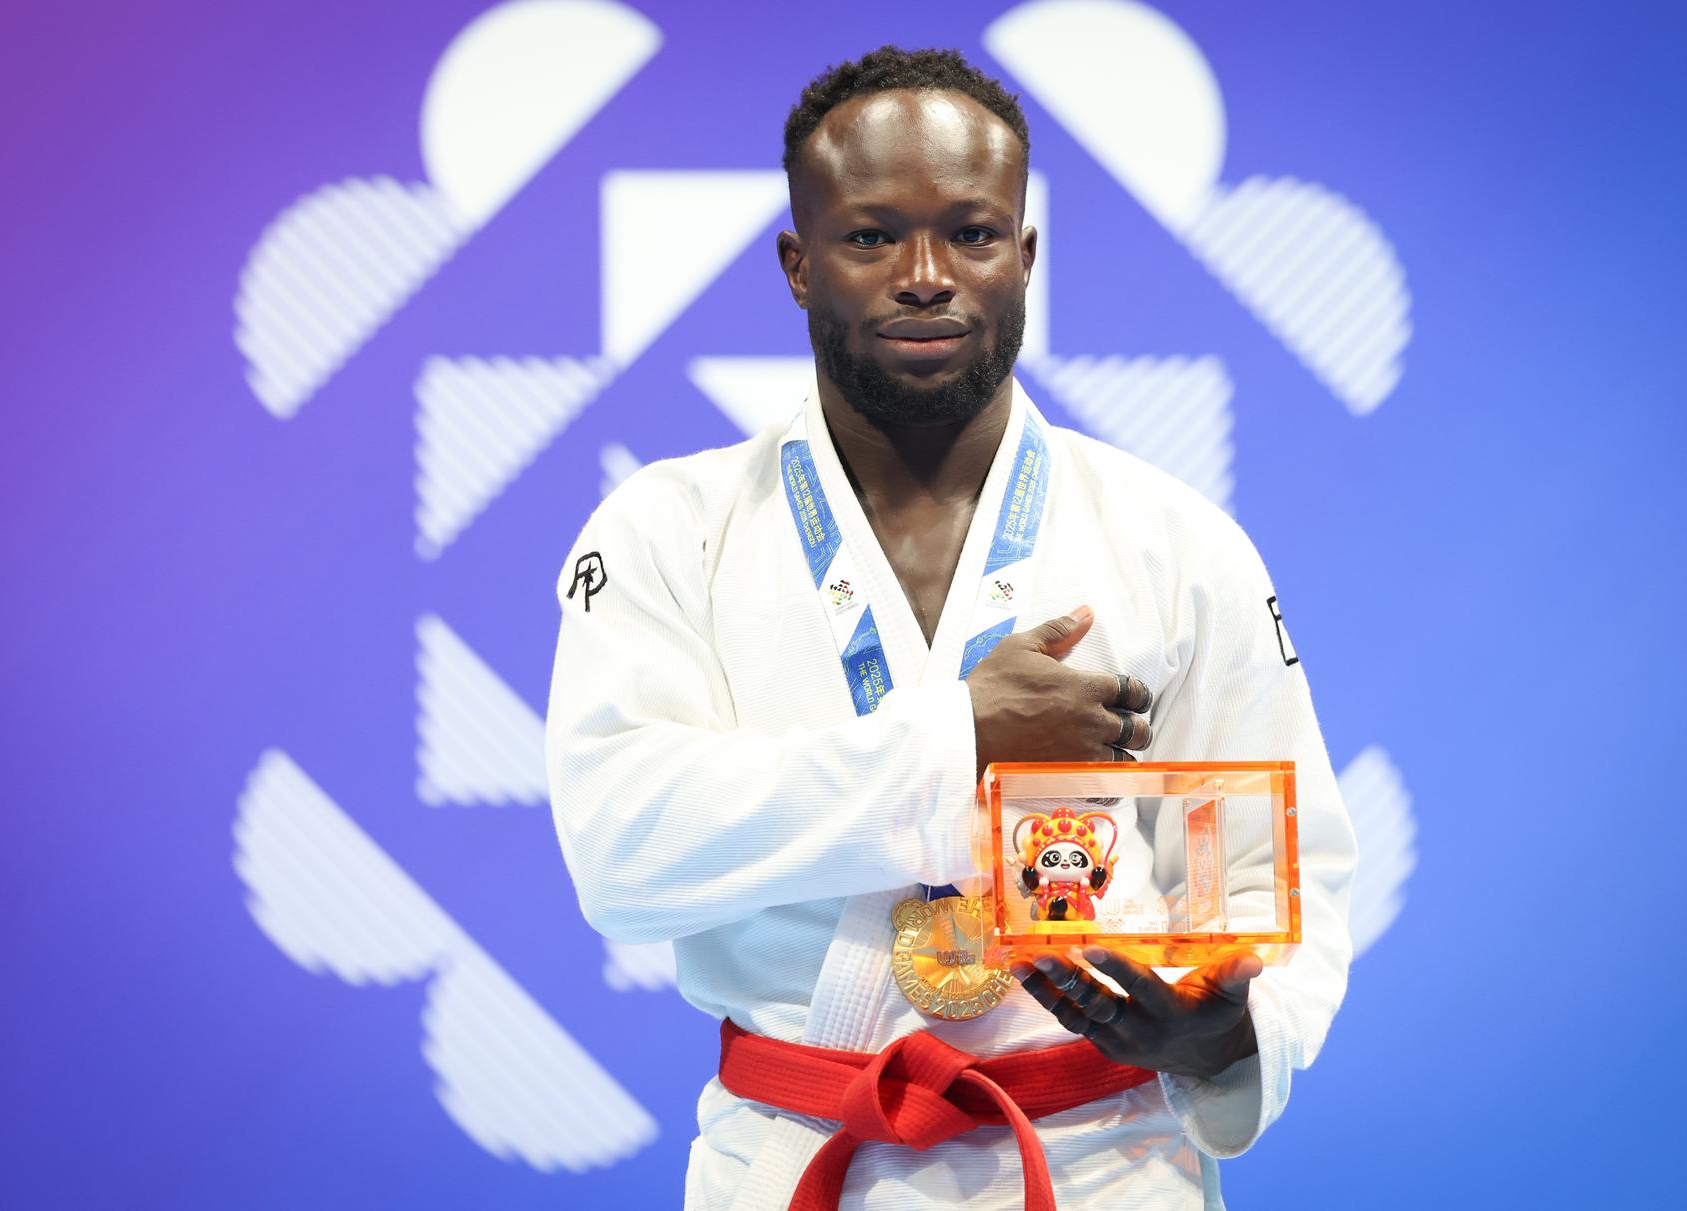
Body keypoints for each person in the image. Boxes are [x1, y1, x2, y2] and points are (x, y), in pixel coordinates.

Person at [545, 45, 1356, 1211]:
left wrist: (1224, 1041)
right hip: (791, 1153)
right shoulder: (671, 530)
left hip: (1106, 1161)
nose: (925, 275)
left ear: (1023, 257)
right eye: (871, 236)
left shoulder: (1176, 542)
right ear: (797, 263)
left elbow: (1286, 876)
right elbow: (623, 850)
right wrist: (957, 743)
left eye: (972, 233)